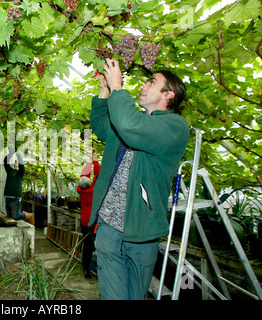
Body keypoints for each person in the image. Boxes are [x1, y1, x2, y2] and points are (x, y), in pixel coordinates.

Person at [89, 58, 189, 300]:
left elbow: (131, 125)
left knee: (135, 296)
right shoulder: (131, 123)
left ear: (169, 95)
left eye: (151, 82)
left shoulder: (175, 127)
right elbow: (102, 127)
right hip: (109, 226)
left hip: (142, 232)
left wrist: (118, 88)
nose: (144, 86)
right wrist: (105, 90)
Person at [77, 151, 100, 278]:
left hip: (84, 222)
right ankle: (97, 268)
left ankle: (86, 269)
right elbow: (98, 175)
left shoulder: (81, 191)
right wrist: (94, 160)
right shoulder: (93, 190)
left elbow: (84, 176)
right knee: (98, 246)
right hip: (94, 223)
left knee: (87, 246)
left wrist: (88, 162)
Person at [3, 150, 34, 225]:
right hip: (7, 197)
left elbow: (22, 166)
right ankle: (24, 214)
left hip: (15, 198)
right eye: (15, 162)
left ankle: (29, 215)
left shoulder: (20, 174)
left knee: (16, 216)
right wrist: (11, 154)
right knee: (10, 217)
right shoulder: (10, 171)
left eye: (17, 162)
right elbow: (5, 162)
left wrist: (18, 155)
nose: (16, 162)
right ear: (13, 163)